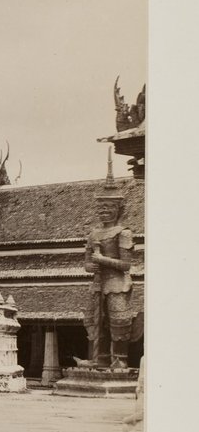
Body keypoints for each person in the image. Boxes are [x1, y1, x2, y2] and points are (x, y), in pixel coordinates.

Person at [84, 155, 136, 370]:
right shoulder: (94, 234)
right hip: (98, 283)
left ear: (118, 209)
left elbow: (126, 265)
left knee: (118, 320)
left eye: (108, 208)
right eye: (101, 208)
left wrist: (102, 259)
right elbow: (87, 265)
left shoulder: (123, 232)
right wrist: (92, 265)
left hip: (116, 282)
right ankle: (101, 358)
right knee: (94, 320)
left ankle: (120, 358)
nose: (104, 211)